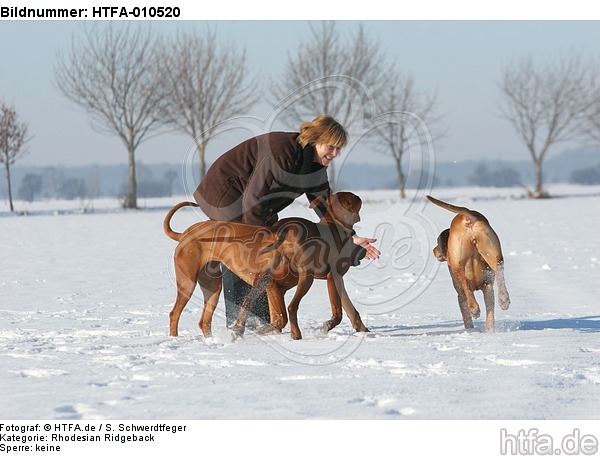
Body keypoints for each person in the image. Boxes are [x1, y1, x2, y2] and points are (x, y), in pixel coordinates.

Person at [193, 115, 380, 327]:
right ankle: (243, 319)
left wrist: (350, 236)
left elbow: (325, 205)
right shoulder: (281, 151)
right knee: (243, 249)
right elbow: (253, 199)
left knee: (266, 250)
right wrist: (257, 242)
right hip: (225, 194)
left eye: (339, 149)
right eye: (331, 147)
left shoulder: (314, 164)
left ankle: (262, 319)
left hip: (258, 203)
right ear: (315, 139)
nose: (335, 153)